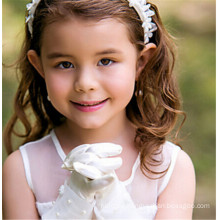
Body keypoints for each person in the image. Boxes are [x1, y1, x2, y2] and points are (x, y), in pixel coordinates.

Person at [3, 0, 196, 219]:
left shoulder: (171, 168)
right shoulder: (22, 169)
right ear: (39, 66)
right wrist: (69, 206)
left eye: (106, 60)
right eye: (65, 64)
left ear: (140, 62)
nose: (85, 83)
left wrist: (116, 208)